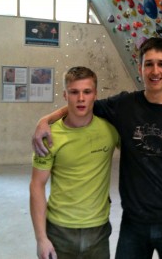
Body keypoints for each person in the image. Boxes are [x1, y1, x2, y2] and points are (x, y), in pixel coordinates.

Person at [32, 37, 162, 259]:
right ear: (140, 68)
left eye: (161, 64)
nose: (154, 71)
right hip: (134, 225)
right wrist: (45, 120)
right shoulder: (123, 105)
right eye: (148, 64)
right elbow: (82, 104)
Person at [29, 66, 120, 259]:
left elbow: (141, 152)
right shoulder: (49, 136)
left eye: (87, 92)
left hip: (98, 231)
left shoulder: (110, 131)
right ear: (65, 95)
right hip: (59, 230)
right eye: (74, 92)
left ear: (95, 94)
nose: (81, 98)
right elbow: (37, 185)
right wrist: (41, 239)